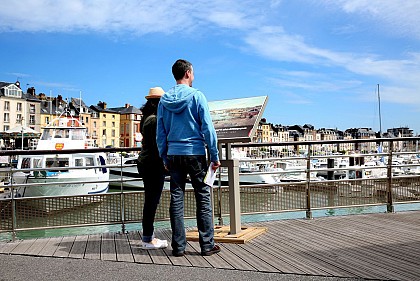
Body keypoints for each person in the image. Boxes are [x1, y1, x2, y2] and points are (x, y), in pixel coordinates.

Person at [157, 59, 221, 257]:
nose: (193, 76)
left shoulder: (164, 100)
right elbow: (208, 128)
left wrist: (164, 156)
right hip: (195, 154)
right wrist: (215, 155)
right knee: (202, 197)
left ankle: (178, 247)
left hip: (174, 154)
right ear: (187, 73)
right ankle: (207, 245)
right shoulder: (197, 96)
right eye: (193, 73)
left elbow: (161, 132)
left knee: (176, 198)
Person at [137, 87, 168, 250]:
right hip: (153, 164)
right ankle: (148, 239)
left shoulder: (146, 118)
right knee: (151, 202)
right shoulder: (155, 120)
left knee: (150, 200)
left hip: (145, 162)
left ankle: (148, 236)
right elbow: (159, 144)